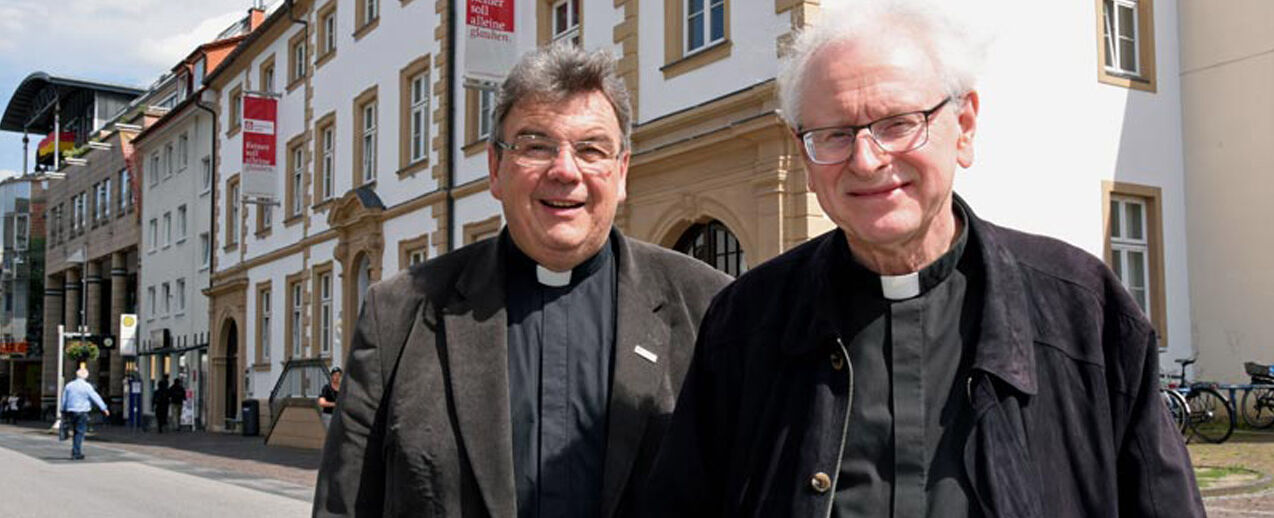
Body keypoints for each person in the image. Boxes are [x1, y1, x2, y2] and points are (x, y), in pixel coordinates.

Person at [645, 1, 1205, 516]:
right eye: (835, 135)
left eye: (897, 124)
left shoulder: (1085, 312)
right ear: (805, 156)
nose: (866, 160)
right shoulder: (744, 322)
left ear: (963, 127)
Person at [314, 44, 731, 517]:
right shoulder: (399, 314)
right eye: (536, 146)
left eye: (592, 149)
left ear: (621, 173)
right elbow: (343, 507)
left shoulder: (711, 307)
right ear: (495, 168)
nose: (565, 171)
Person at [62, 368, 109, 460]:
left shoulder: (69, 385)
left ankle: (75, 450)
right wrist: (104, 408)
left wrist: (63, 410)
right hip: (82, 411)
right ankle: (76, 453)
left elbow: (64, 399)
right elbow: (95, 397)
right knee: (80, 432)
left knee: (75, 431)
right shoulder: (87, 386)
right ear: (86, 376)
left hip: (71, 411)